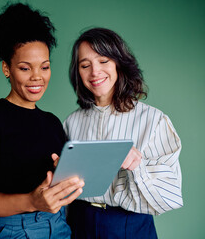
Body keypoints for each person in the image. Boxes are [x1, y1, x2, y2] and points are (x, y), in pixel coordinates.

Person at [0, 3, 84, 239]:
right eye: (25, 68)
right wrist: (31, 201)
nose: (37, 76)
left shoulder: (52, 123)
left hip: (58, 226)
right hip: (10, 231)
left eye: (45, 66)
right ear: (7, 69)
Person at [64, 27, 183, 238]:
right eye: (85, 65)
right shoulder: (71, 122)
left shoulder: (154, 121)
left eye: (103, 61)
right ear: (78, 72)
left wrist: (137, 167)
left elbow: (169, 196)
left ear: (119, 62)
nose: (95, 72)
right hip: (78, 222)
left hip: (129, 224)